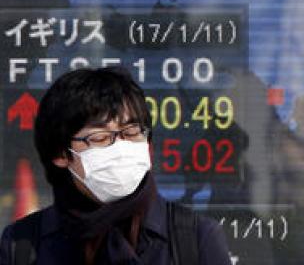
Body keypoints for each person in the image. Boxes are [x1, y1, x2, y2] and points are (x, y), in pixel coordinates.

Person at [0, 67, 231, 264]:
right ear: (61, 154)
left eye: (131, 133)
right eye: (100, 138)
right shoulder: (22, 244)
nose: (120, 148)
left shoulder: (194, 238)